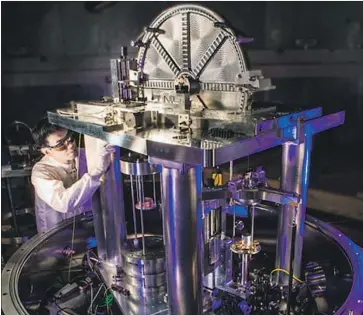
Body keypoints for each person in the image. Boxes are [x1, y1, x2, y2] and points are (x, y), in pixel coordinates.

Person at [31, 118, 114, 233]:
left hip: (89, 226)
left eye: (70, 139)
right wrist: (97, 171)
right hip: (58, 235)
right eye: (61, 145)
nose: (70, 146)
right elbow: (64, 203)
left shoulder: (83, 154)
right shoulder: (41, 173)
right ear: (46, 151)